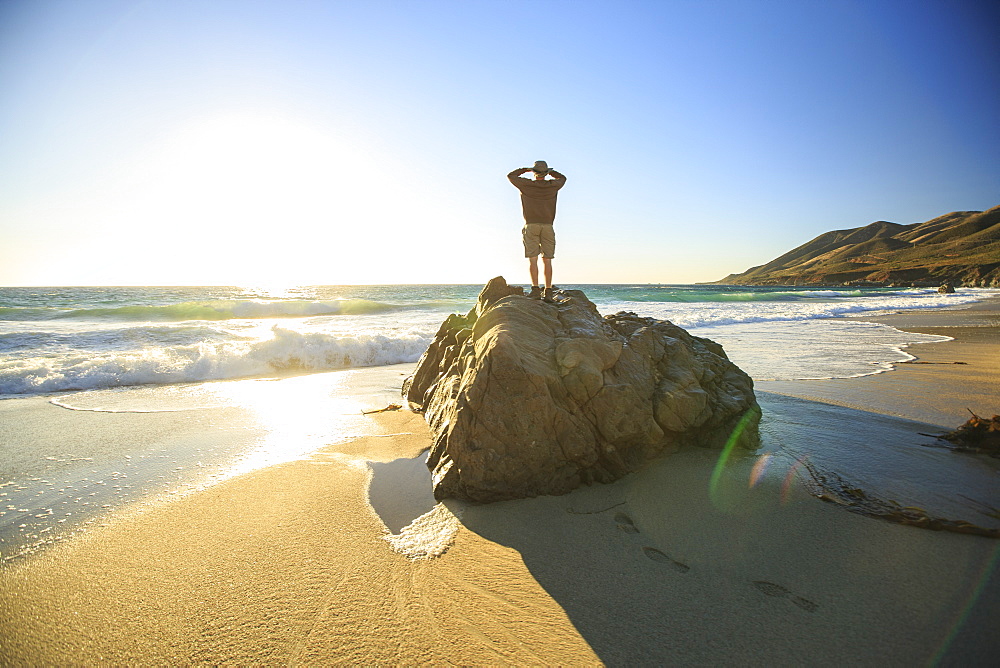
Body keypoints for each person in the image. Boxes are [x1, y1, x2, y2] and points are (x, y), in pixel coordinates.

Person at [507, 160, 567, 302]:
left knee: (533, 260)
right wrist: (550, 172)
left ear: (534, 172)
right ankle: (548, 292)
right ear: (546, 173)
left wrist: (526, 169)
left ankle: (535, 290)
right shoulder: (552, 186)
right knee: (547, 260)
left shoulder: (526, 185)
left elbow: (511, 175)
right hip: (547, 226)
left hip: (531, 225)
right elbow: (563, 178)